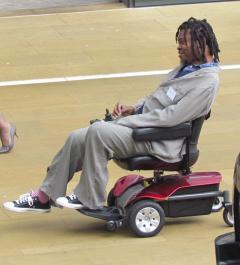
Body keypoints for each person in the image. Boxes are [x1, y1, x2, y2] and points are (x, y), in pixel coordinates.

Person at [3, 17, 221, 213]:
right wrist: (133, 108)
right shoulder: (187, 68)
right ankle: (44, 196)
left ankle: (88, 198)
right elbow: (157, 98)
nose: (179, 46)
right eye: (179, 40)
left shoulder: (207, 82)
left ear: (203, 44)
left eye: (184, 42)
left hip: (160, 141)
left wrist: (127, 122)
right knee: (78, 136)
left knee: (98, 131)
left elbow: (170, 118)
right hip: (146, 130)